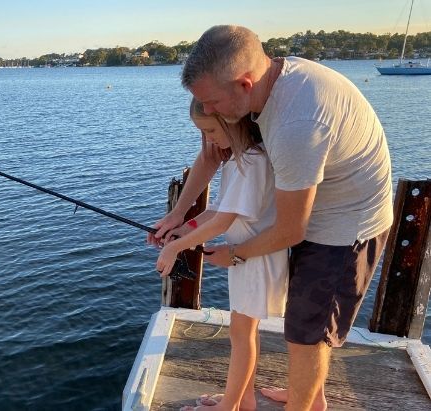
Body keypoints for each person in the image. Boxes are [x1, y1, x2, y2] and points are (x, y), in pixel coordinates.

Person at [152, 25, 393, 411]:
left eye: (211, 102)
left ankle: (305, 403)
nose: (208, 111)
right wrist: (179, 214)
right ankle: (311, 395)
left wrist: (234, 254)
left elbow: (290, 228)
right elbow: (211, 157)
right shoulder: (260, 90)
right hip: (311, 208)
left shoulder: (296, 122)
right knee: (307, 324)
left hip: (347, 224)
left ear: (244, 84)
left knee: (306, 331)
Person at [156, 97, 288, 411]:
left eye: (212, 130)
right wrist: (183, 228)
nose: (208, 140)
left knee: (242, 333)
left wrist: (177, 246)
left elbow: (224, 220)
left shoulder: (251, 162)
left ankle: (230, 405)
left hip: (256, 260)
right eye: (202, 133)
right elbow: (220, 210)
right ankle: (243, 398)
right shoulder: (241, 159)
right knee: (246, 331)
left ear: (234, 120)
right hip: (249, 259)